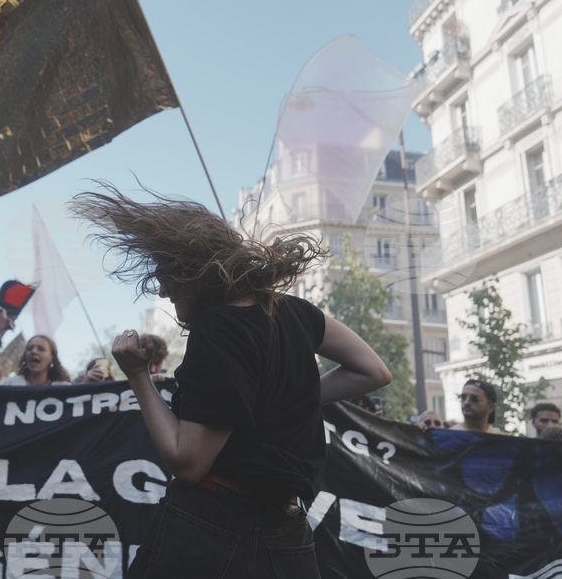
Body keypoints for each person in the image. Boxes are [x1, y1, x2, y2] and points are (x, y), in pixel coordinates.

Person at [70, 185, 392, 578]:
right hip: (288, 531)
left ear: (194, 268)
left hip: (211, 526)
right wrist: (287, 398)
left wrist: (138, 377)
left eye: (166, 273)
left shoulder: (218, 326)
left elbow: (188, 463)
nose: (163, 288)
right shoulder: (296, 311)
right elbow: (373, 371)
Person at [1, 336, 72, 386]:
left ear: (51, 358)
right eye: (30, 348)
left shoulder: (63, 388)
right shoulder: (10, 384)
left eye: (41, 349)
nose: (34, 351)